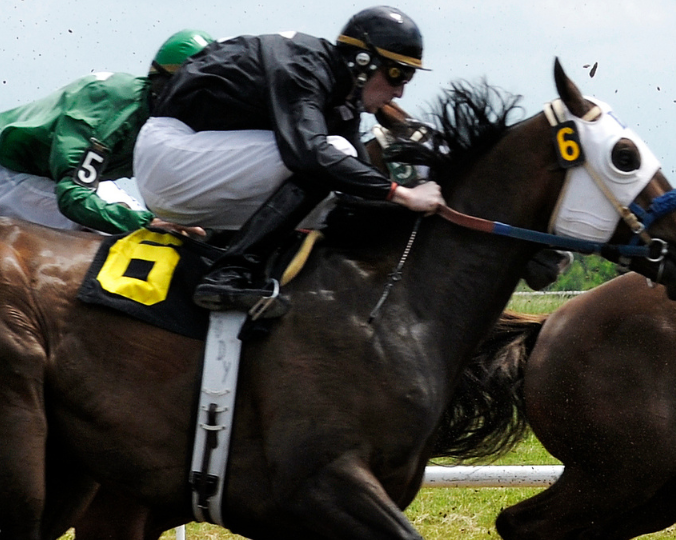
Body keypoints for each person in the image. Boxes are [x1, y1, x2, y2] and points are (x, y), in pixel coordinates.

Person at [133, 6, 447, 314]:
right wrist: (404, 194)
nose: (401, 92)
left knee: (341, 201)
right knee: (332, 157)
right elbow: (309, 156)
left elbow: (357, 184)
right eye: (397, 74)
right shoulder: (304, 65)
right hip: (168, 157)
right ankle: (229, 273)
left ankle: (253, 269)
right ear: (363, 61)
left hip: (190, 170)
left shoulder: (340, 96)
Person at [0, 30, 215, 236]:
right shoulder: (106, 108)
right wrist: (144, 223)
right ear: (169, 88)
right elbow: (73, 197)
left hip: (62, 183)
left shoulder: (162, 118)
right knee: (132, 234)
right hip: (7, 180)